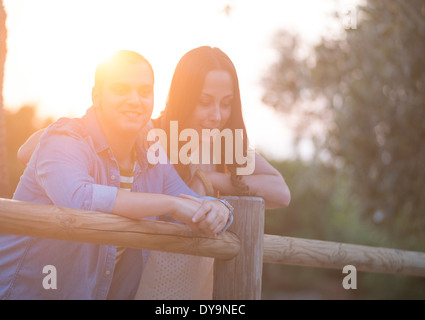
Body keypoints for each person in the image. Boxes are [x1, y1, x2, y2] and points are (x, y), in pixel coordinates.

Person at [16, 46, 291, 299]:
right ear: (184, 97)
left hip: (194, 288)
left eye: (227, 103)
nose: (217, 115)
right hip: (139, 285)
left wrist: (209, 179)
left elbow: (280, 193)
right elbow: (28, 150)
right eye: (205, 102)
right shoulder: (151, 133)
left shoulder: (225, 145)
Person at [0, 50, 232, 300]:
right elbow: (80, 199)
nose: (135, 100)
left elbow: (192, 202)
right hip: (8, 292)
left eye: (144, 92)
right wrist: (171, 204)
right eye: (120, 89)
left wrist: (221, 209)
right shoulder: (64, 140)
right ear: (96, 96)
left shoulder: (151, 155)